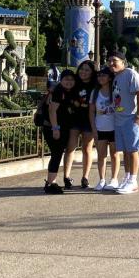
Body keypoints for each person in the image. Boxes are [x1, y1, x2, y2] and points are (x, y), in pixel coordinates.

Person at [107, 51, 139, 194]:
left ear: (123, 62)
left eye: (114, 60)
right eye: (109, 60)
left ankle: (133, 181)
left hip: (131, 117)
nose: (111, 63)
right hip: (119, 117)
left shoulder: (131, 74)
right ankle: (128, 177)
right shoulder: (116, 77)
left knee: (132, 150)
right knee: (125, 151)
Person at [64, 60, 97, 189]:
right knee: (70, 148)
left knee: (87, 149)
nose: (83, 72)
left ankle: (85, 177)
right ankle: (66, 177)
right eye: (82, 69)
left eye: (87, 70)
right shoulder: (75, 83)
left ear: (92, 72)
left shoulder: (95, 85)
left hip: (89, 120)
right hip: (74, 119)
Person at [44, 70, 77, 194]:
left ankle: (51, 181)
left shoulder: (67, 91)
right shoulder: (58, 91)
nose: (69, 82)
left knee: (57, 154)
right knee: (57, 154)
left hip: (61, 127)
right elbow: (52, 111)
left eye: (71, 79)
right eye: (66, 79)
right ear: (61, 80)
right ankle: (50, 183)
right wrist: (55, 128)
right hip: (53, 127)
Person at [89, 66, 121, 191]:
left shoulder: (115, 91)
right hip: (100, 127)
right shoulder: (95, 92)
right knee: (101, 155)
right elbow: (91, 112)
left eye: (103, 75)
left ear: (109, 78)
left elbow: (120, 107)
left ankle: (114, 178)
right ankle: (102, 179)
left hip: (114, 127)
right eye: (99, 75)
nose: (101, 78)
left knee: (114, 154)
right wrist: (94, 129)